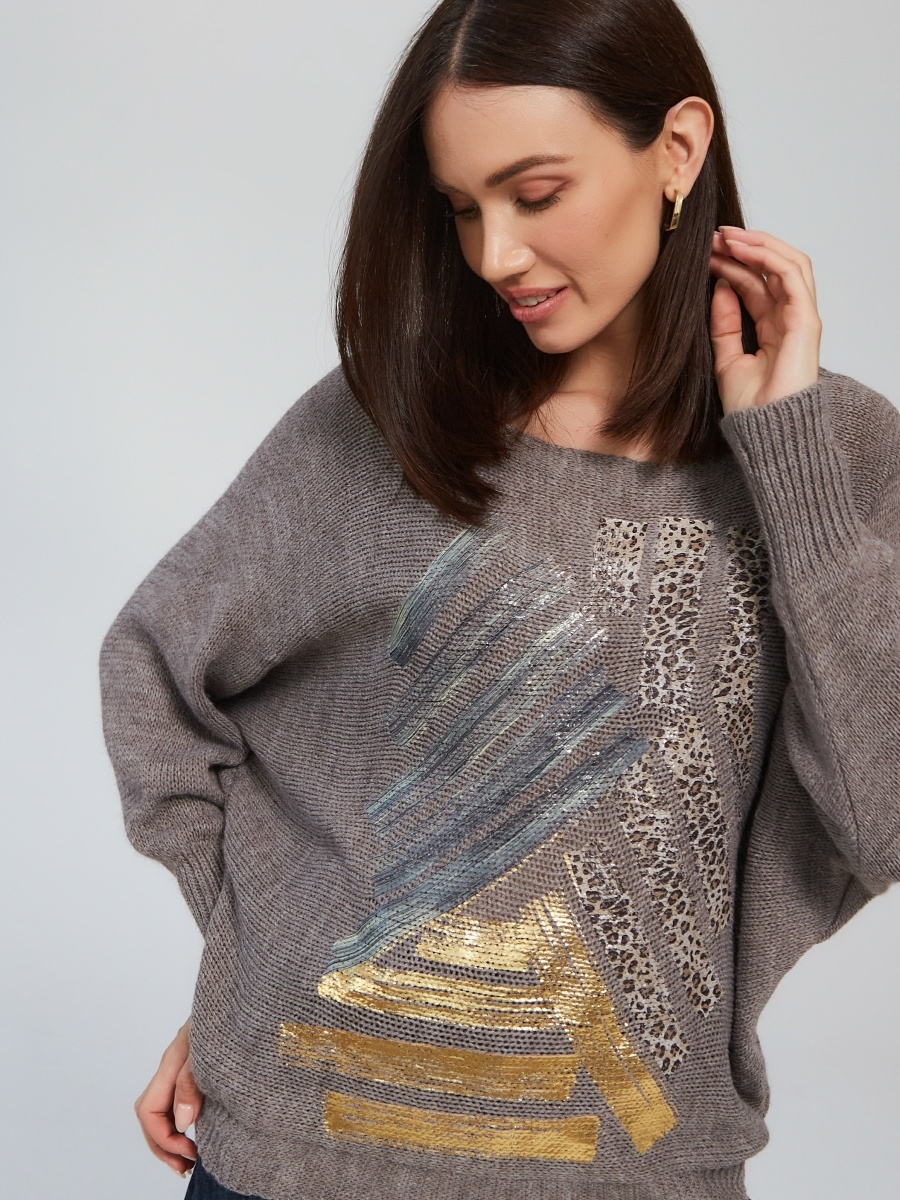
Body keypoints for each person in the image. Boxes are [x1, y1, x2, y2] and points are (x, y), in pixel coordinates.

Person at [99, 0, 900, 1197]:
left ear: (678, 149)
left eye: (535, 193)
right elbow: (156, 674)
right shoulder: (383, 423)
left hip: (635, 1170)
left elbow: (884, 813)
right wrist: (248, 969)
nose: (494, 256)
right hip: (298, 1161)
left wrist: (785, 453)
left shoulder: (838, 460)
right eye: (463, 208)